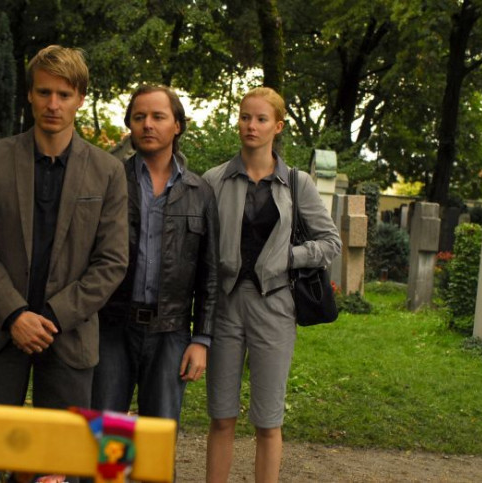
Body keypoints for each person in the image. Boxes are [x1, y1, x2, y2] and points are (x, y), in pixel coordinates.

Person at [0, 45, 129, 482]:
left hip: (68, 334)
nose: (53, 104)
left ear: (80, 99)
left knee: (61, 467)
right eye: (44, 92)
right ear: (30, 95)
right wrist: (15, 314)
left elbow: (112, 262)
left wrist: (51, 316)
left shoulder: (108, 171)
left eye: (64, 95)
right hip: (0, 332)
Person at [202, 87, 341, 483]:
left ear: (277, 127)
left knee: (267, 421)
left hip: (276, 307)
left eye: (261, 119)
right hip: (225, 307)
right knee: (221, 416)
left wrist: (288, 257)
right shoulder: (214, 180)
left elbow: (330, 243)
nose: (251, 125)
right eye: (245, 117)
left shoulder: (298, 183)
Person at [91, 85, 219, 430]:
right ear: (130, 125)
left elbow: (210, 273)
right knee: (104, 435)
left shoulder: (200, 192)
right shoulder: (110, 182)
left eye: (158, 116)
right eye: (139, 117)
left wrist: (201, 339)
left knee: (158, 440)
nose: (148, 124)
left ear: (177, 125)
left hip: (170, 332)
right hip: (112, 327)